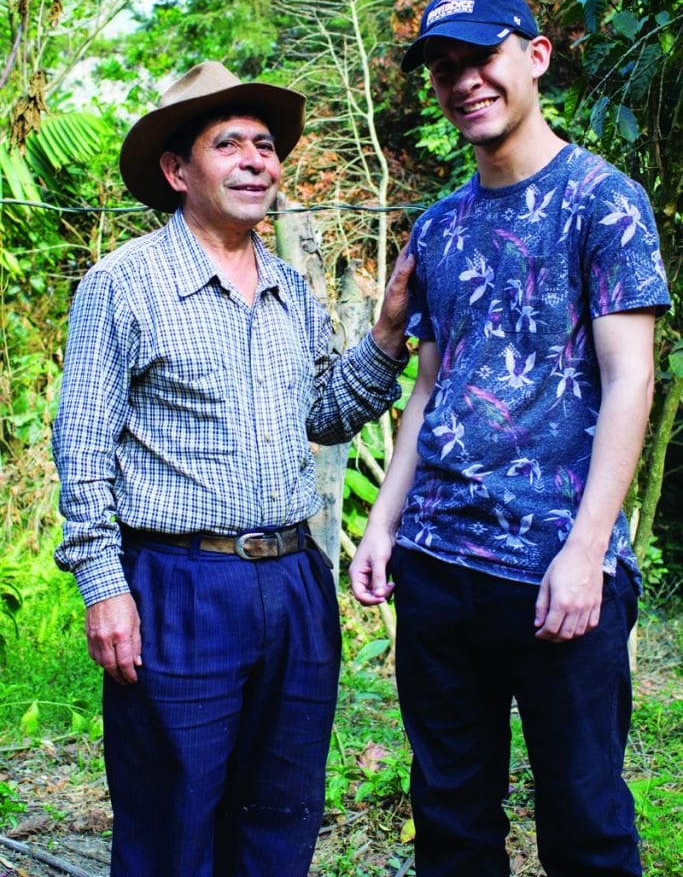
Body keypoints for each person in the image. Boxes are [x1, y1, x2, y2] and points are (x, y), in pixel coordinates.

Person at [52, 60, 413, 877]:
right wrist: (104, 587)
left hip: (291, 580)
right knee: (171, 818)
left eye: (265, 145)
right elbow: (82, 443)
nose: (256, 159)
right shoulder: (124, 284)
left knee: (279, 814)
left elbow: (322, 418)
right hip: (177, 583)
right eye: (229, 144)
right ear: (179, 172)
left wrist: (387, 337)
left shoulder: (292, 287)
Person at [350, 0, 671, 877]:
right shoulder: (440, 226)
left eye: (479, 58)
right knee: (450, 816)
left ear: (532, 57)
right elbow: (428, 388)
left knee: (585, 819)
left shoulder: (603, 202)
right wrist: (383, 524)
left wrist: (586, 550)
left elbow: (628, 379)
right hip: (438, 565)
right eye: (443, 68)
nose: (462, 82)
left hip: (556, 574)